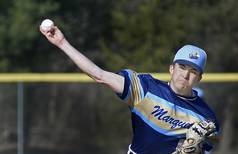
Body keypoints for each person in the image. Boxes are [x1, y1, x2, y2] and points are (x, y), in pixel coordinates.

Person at [40, 23, 219, 154]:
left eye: (193, 71)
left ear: (199, 78)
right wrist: (62, 43)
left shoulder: (205, 117)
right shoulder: (145, 88)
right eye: (182, 67)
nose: (186, 75)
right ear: (171, 68)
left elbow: (207, 147)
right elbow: (99, 75)